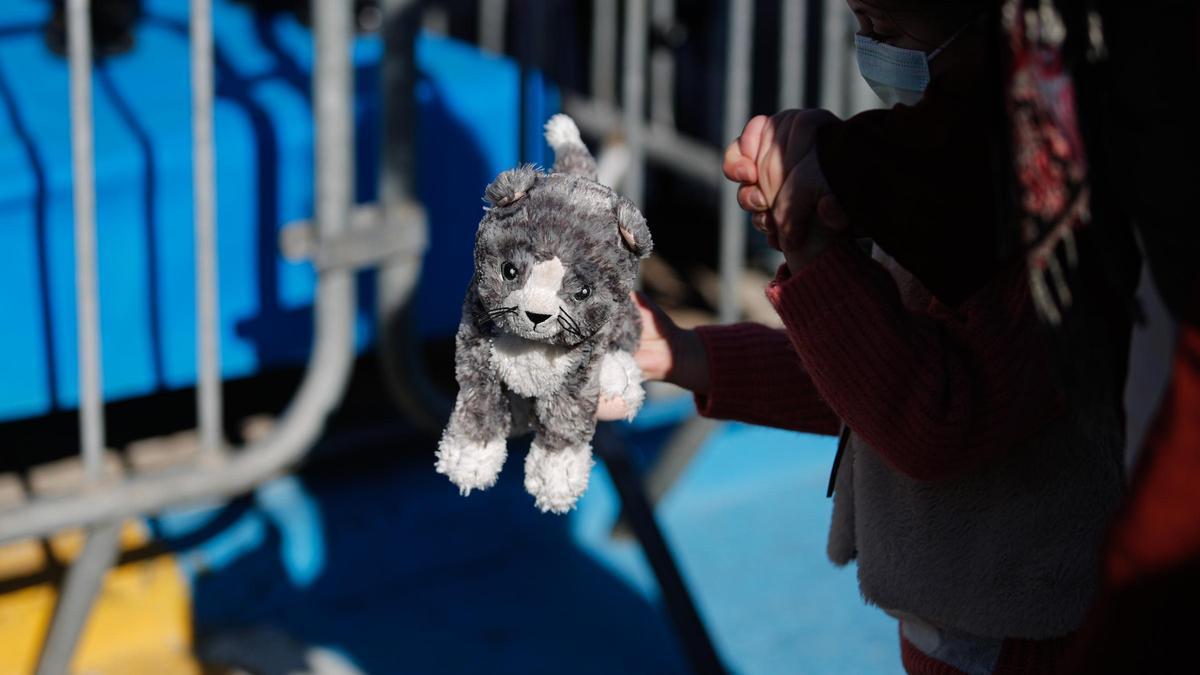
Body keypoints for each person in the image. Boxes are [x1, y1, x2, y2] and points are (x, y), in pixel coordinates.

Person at [622, 1, 1131, 672]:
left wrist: (817, 258)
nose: (869, 52)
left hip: (1027, 638)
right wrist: (680, 352)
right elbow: (864, 372)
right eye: (859, 27)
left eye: (888, 33)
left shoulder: (1051, 214)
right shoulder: (931, 166)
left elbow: (934, 416)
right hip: (952, 624)